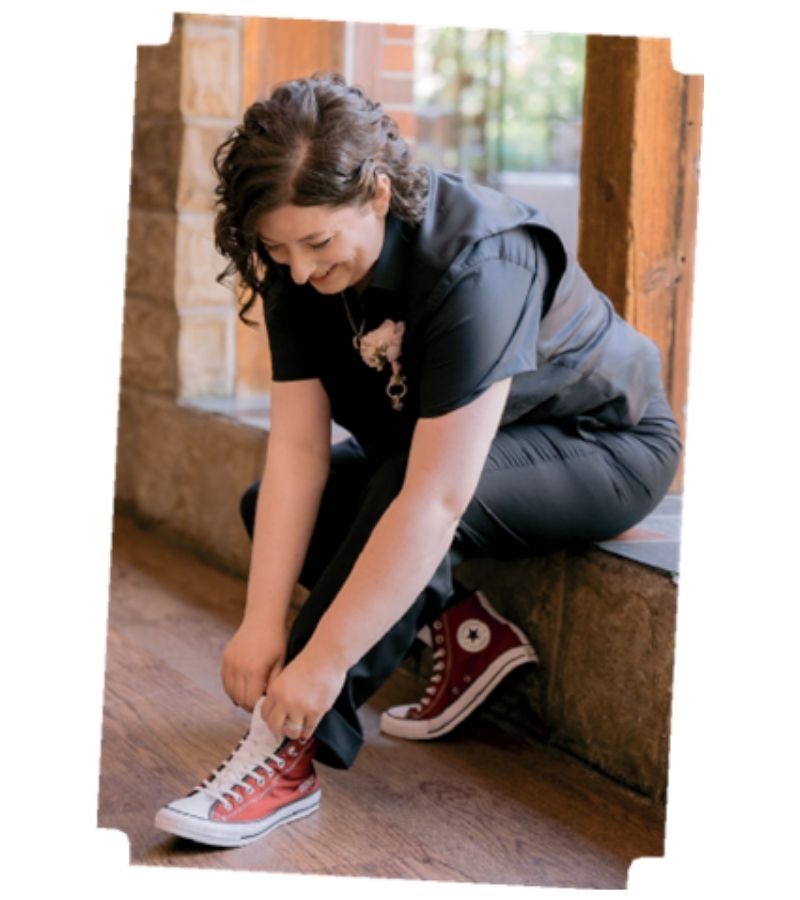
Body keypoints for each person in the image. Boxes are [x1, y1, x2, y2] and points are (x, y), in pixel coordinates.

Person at [154, 72, 681, 848]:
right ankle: (469, 635)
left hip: (606, 446)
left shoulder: (483, 259)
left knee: (409, 493)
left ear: (374, 193)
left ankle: (288, 756)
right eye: (277, 248)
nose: (299, 271)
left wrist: (320, 662)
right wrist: (261, 623)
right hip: (456, 457)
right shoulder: (298, 259)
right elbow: (300, 449)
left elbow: (436, 496)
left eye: (318, 244)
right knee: (280, 503)